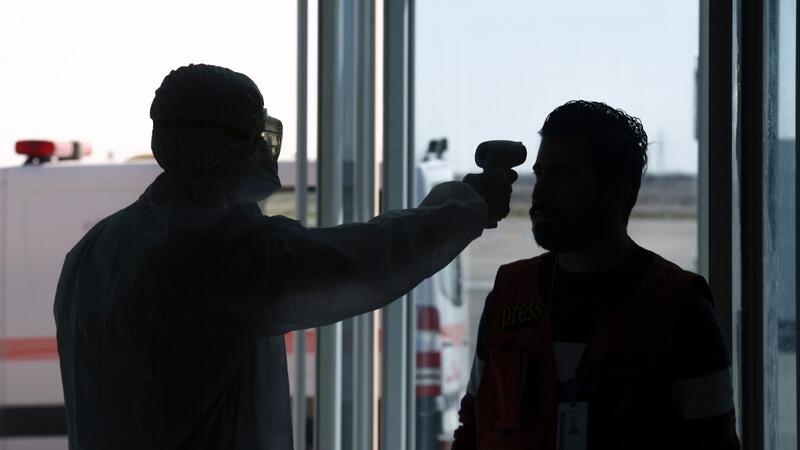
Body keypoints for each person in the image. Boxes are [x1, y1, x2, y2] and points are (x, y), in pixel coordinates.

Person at [53, 64, 516, 450]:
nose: (262, 149)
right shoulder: (215, 249)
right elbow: (367, 260)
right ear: (221, 146)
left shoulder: (96, 249)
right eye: (255, 134)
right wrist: (468, 205)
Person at [451, 100, 741, 450]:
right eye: (540, 174)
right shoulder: (508, 295)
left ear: (616, 193)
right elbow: (473, 427)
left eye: (562, 176)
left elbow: (715, 442)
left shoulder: (682, 309)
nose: (539, 192)